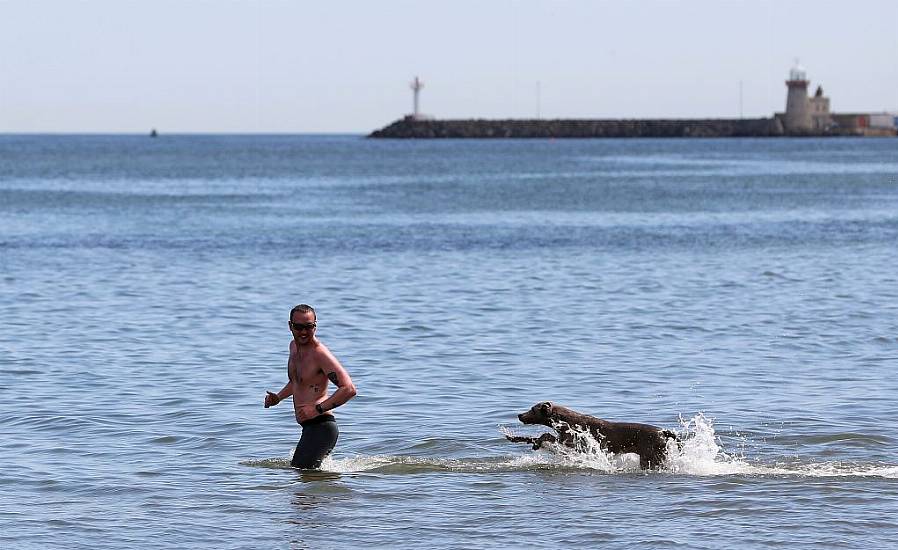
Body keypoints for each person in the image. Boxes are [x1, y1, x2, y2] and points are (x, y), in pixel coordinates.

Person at [264, 304, 357, 469]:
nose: (304, 332)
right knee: (304, 479)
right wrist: (278, 397)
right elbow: (297, 382)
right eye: (299, 327)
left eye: (309, 327)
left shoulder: (319, 354)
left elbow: (348, 389)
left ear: (316, 325)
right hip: (309, 428)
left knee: (300, 473)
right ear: (290, 326)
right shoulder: (293, 347)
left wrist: (317, 409)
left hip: (321, 427)